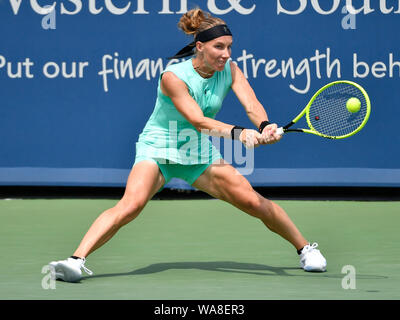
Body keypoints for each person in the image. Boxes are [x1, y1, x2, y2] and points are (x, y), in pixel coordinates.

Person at [49, 9, 326, 282]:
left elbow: (251, 104)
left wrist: (265, 127)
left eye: (230, 47)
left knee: (253, 201)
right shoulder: (174, 76)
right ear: (199, 46)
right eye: (219, 47)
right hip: (158, 147)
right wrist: (240, 134)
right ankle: (74, 262)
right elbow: (198, 120)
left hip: (196, 152)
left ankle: (305, 250)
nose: (226, 54)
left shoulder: (230, 70)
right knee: (131, 205)